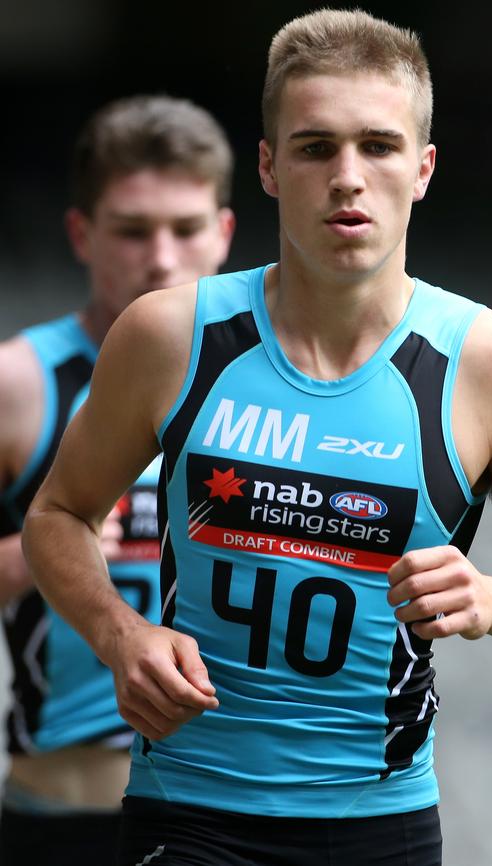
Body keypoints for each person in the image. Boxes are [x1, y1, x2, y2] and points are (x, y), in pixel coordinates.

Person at [22, 10, 492, 866]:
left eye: (379, 147)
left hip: (380, 826)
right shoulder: (171, 336)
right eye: (315, 148)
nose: (348, 178)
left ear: (423, 168)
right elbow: (57, 515)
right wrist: (119, 634)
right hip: (190, 811)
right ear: (270, 169)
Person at [0, 94, 235, 865]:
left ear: (225, 232)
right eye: (134, 231)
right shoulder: (21, 384)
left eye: (187, 228)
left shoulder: (282, 383)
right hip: (66, 815)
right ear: (82, 233)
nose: (162, 258)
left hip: (242, 816)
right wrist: (47, 547)